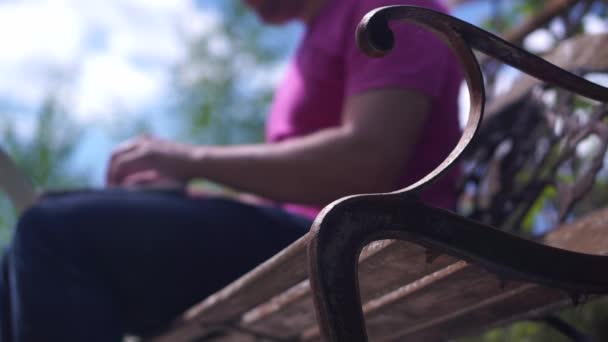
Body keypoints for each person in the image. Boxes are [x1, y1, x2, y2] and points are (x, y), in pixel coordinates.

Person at [0, 0, 462, 340]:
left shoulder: (388, 10)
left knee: (57, 233)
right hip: (309, 238)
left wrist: (191, 160)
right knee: (16, 261)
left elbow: (371, 160)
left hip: (363, 243)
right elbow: (297, 187)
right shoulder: (315, 37)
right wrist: (199, 203)